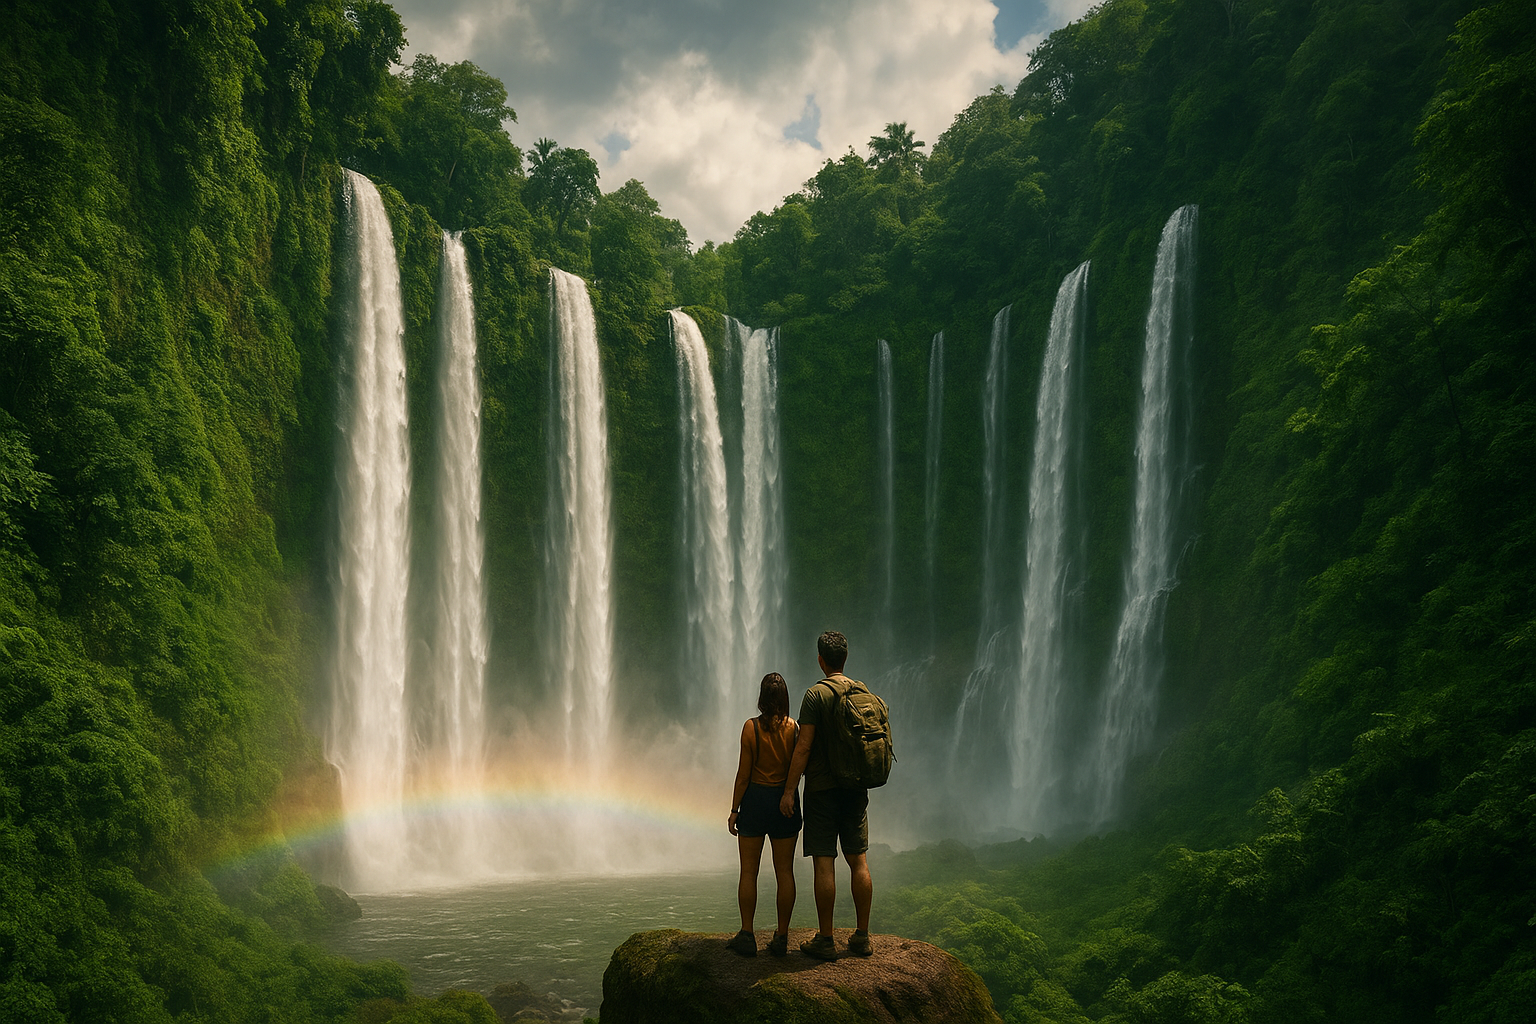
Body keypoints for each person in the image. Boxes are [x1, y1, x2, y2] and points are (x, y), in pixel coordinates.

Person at [779, 631, 874, 959]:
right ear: (844, 659)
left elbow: (803, 747)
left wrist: (789, 791)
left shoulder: (815, 695)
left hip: (821, 790)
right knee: (858, 859)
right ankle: (862, 936)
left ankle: (826, 938)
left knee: (825, 861)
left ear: (821, 659)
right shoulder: (861, 691)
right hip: (856, 788)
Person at [726, 672, 802, 957]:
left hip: (756, 800)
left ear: (761, 698)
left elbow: (743, 775)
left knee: (748, 872)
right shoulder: (795, 729)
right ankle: (781, 937)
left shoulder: (751, 728)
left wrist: (735, 809)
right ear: (784, 699)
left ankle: (747, 934)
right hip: (785, 801)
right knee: (785, 872)